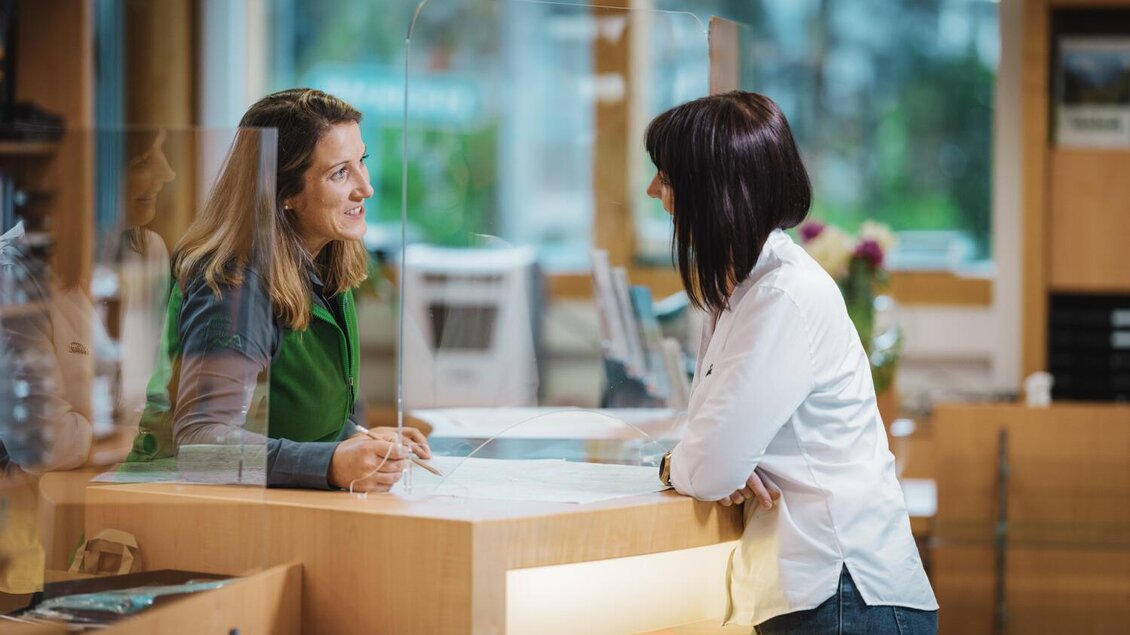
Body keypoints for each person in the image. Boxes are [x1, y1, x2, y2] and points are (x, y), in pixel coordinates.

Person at [646, 92, 937, 634]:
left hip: (847, 594)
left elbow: (710, 466)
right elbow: (714, 451)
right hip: (827, 596)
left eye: (666, 177)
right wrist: (720, 459)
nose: (653, 192)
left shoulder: (782, 295)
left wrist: (680, 463)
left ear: (710, 190)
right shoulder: (743, 290)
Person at [127, 88, 428, 491]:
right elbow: (202, 445)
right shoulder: (234, 286)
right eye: (340, 173)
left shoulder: (326, 264)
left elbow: (286, 415)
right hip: (179, 508)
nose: (365, 188)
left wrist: (357, 439)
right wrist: (331, 463)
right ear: (285, 194)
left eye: (362, 161)